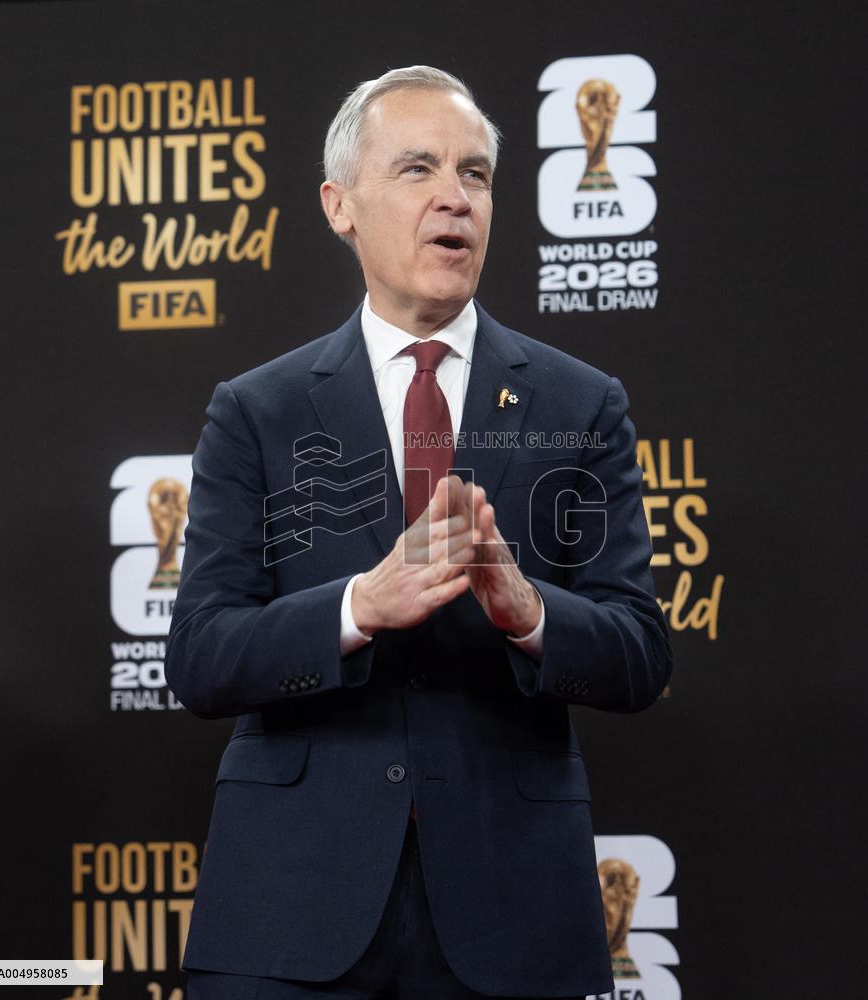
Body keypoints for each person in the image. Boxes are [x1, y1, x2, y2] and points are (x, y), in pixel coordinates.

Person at [165, 65, 672, 1000]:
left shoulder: (581, 403)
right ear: (339, 205)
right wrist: (361, 604)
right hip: (292, 913)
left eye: (475, 174)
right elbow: (200, 655)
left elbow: (640, 654)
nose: (455, 197)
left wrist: (527, 612)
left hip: (511, 914)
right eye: (419, 169)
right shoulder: (256, 412)